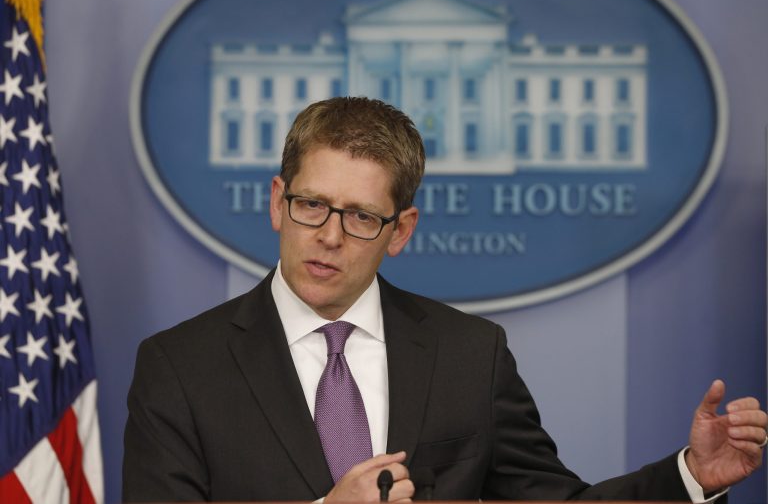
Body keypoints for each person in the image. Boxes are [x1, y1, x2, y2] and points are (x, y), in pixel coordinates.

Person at [123, 97, 767, 502]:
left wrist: (689, 477)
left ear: (400, 230)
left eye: (360, 217)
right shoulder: (180, 367)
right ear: (276, 202)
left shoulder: (469, 354)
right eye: (311, 203)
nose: (327, 235)